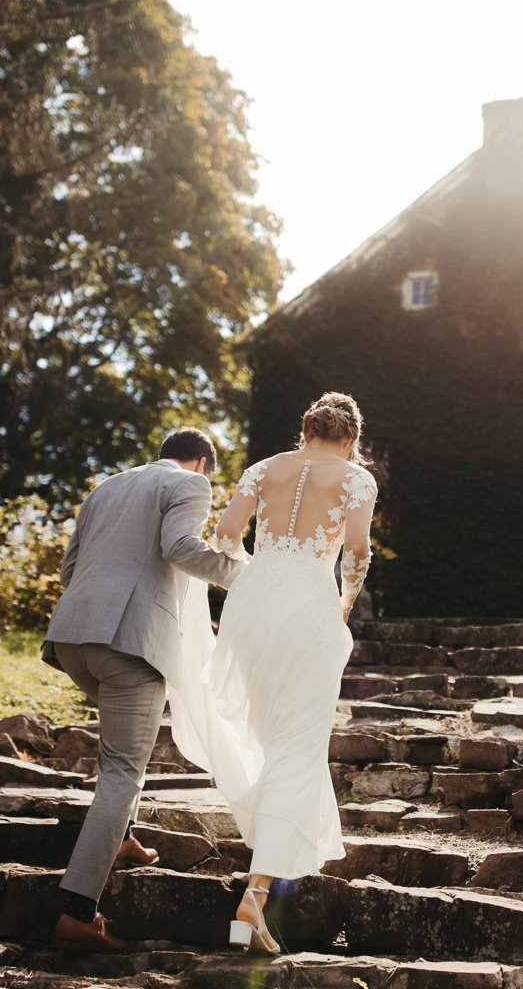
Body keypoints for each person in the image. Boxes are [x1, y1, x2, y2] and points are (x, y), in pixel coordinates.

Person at [165, 392, 377, 955]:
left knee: (266, 734)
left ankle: (261, 874)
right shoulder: (357, 479)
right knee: (296, 745)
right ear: (350, 438)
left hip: (253, 603)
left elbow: (227, 536)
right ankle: (255, 898)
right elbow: (354, 548)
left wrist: (260, 575)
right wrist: (345, 602)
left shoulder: (262, 469)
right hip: (309, 604)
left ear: (303, 430)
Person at [40, 427, 245, 953]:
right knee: (122, 772)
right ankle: (77, 913)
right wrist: (246, 576)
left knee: (119, 759)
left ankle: (124, 838)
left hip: (72, 640)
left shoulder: (105, 487)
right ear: (202, 462)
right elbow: (179, 546)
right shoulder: (191, 486)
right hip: (129, 646)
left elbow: (69, 570)